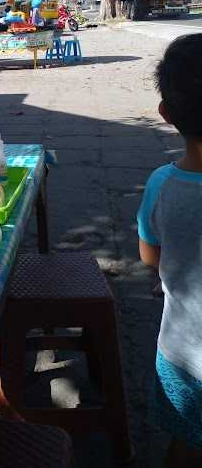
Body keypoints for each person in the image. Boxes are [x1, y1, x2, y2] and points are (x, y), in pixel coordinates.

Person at [137, 34, 202, 467]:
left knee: (184, 443)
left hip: (183, 353)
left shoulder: (162, 184)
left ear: (165, 114)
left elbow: (149, 257)